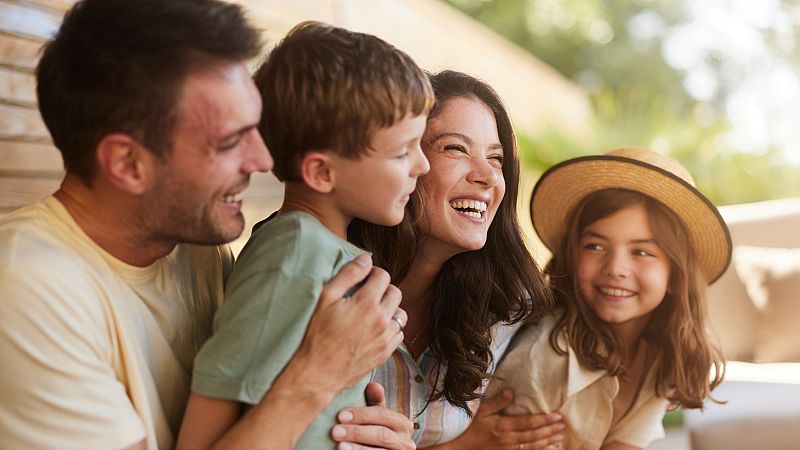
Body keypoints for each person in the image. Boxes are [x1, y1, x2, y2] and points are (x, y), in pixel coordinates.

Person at [0, 1, 412, 449]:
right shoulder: (27, 291)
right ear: (128, 163)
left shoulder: (194, 250)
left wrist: (350, 424)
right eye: (231, 140)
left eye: (256, 128)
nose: (263, 160)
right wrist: (315, 380)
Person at [177, 21, 432, 450]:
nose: (421, 165)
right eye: (403, 151)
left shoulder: (321, 251)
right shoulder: (293, 255)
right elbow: (202, 434)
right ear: (321, 172)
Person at [349, 70, 566, 449]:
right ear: (402, 158)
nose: (487, 177)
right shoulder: (332, 281)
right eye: (455, 148)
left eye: (496, 159)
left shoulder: (504, 306)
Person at [486, 147, 730, 450]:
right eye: (595, 246)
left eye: (641, 252)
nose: (615, 269)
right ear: (572, 256)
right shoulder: (547, 354)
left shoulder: (662, 356)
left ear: (676, 277)